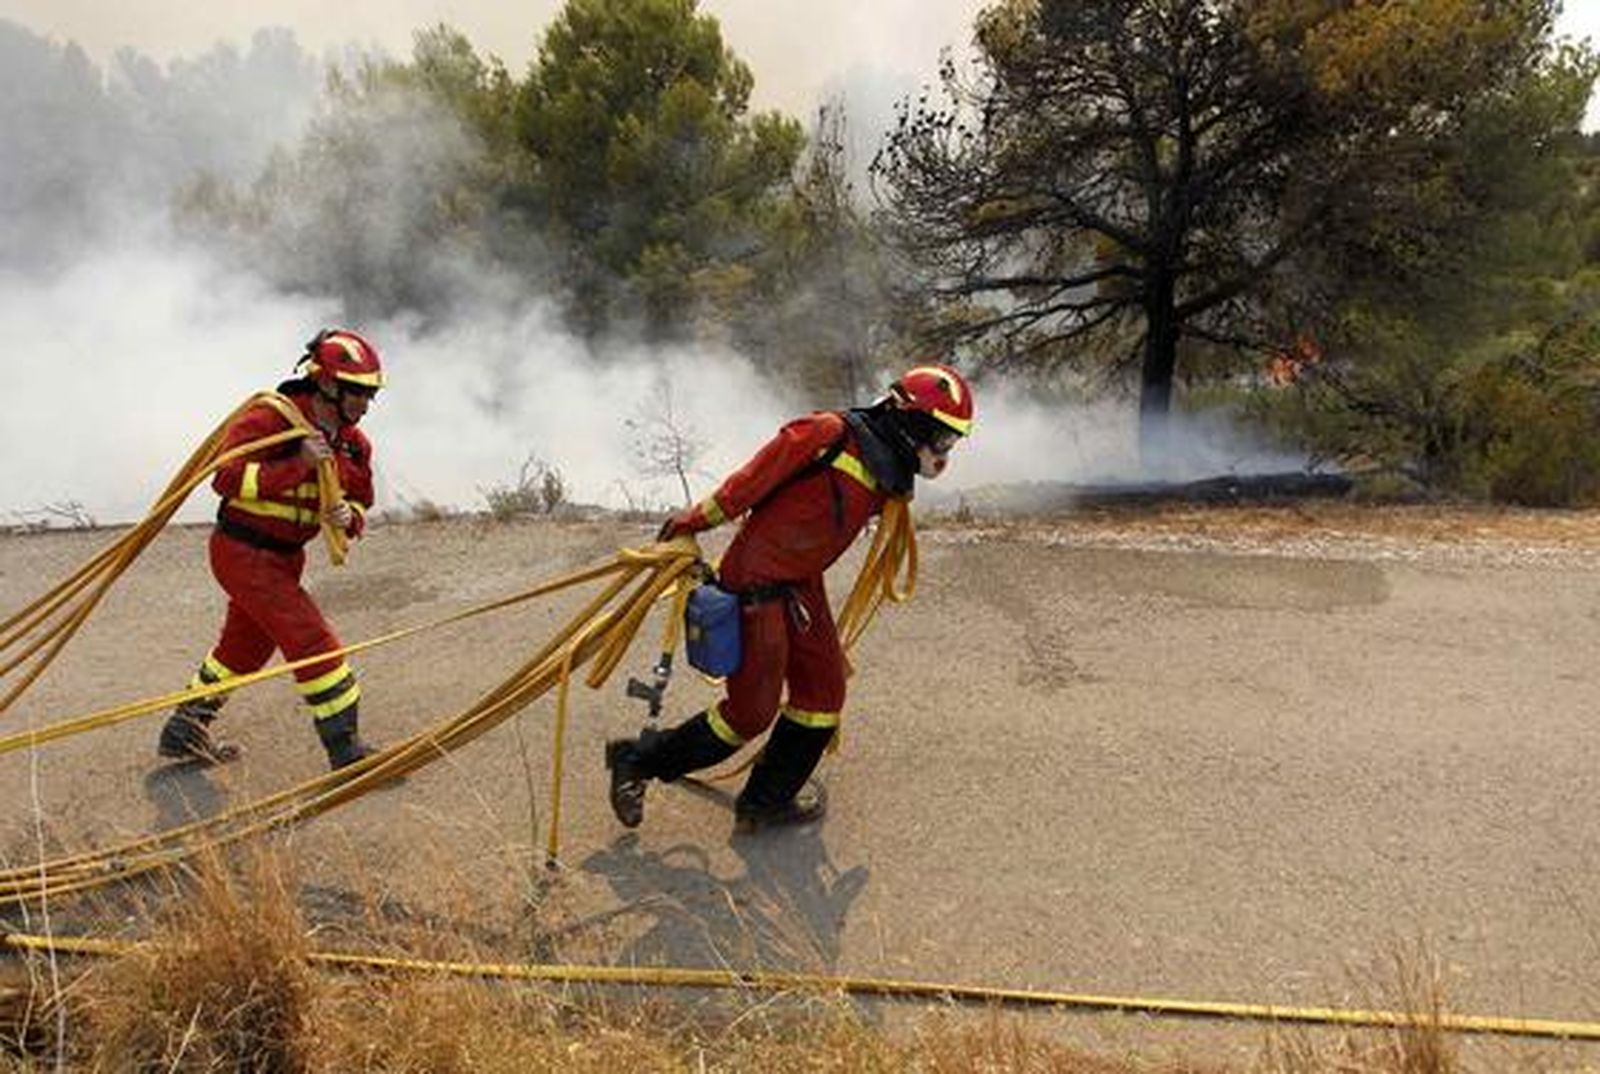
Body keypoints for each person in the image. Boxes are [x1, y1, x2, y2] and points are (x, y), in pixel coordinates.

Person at [605, 363, 974, 832]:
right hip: (757, 586)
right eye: (943, 439)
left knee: (823, 695)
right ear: (913, 422)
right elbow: (748, 483)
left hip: (801, 585)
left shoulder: (887, 471)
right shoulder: (826, 434)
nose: (945, 453)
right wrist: (692, 522)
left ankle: (765, 802)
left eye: (953, 442)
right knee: (749, 714)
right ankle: (635, 761)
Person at [157, 328, 384, 769]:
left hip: (284, 558)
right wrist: (297, 464)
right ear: (325, 383)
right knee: (314, 642)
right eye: (354, 391)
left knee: (244, 649)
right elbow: (226, 478)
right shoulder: (272, 419)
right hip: (243, 550)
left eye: (369, 394)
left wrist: (349, 517)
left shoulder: (353, 444)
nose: (363, 403)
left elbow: (360, 498)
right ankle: (346, 751)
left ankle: (185, 730)